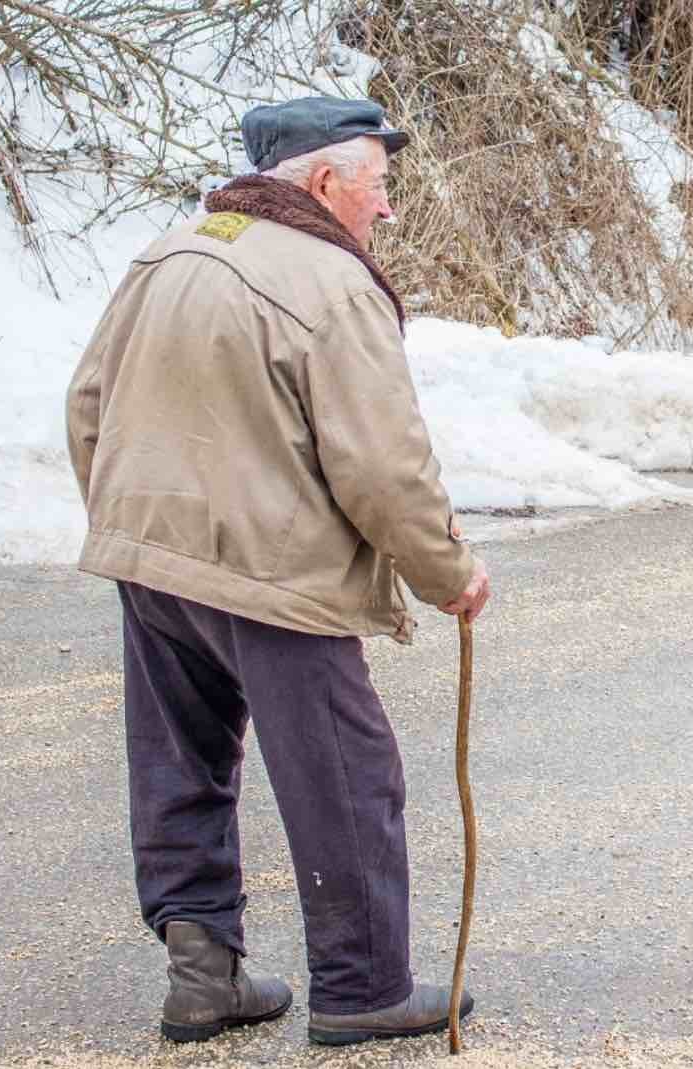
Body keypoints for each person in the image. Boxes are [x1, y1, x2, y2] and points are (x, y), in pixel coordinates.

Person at [64, 96, 490, 1047]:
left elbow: (87, 402)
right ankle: (365, 987)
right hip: (270, 572)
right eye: (378, 186)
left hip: (153, 556)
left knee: (181, 764)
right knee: (347, 774)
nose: (386, 211)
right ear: (327, 180)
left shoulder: (168, 251)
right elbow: (383, 464)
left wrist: (131, 521)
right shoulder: (332, 284)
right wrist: (446, 571)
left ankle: (202, 976)